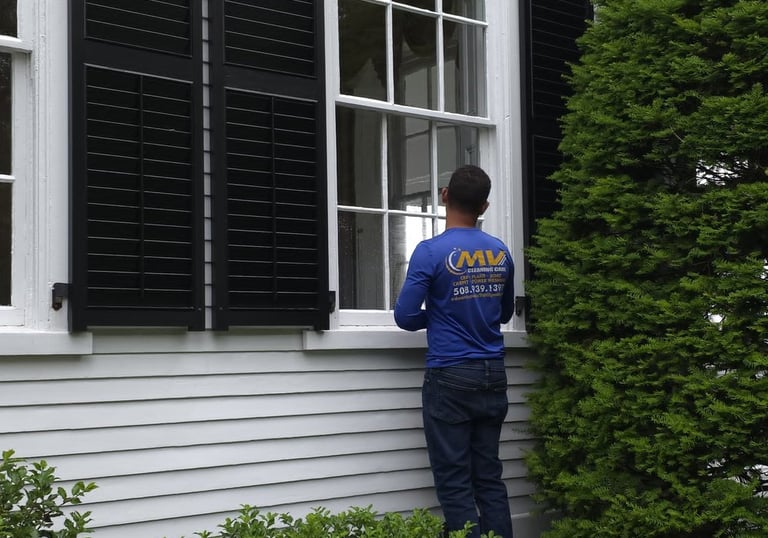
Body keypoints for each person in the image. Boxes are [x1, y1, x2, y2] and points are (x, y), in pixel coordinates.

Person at [394, 165, 515, 538]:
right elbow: (504, 313)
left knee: (454, 479)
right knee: (488, 476)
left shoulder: (430, 252)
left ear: (445, 195)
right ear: (484, 206)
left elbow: (405, 316)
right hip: (493, 374)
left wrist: (440, 315)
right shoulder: (500, 252)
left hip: (451, 376)